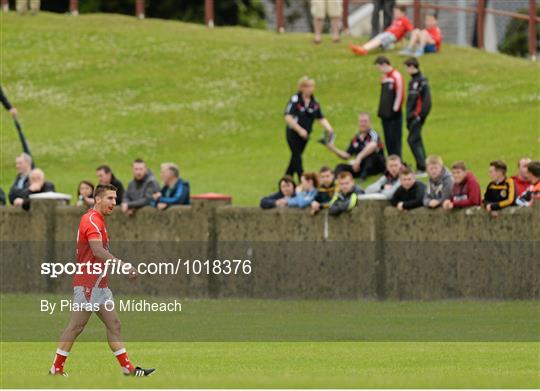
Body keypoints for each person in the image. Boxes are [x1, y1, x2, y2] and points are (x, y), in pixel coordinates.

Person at [49, 184, 155, 377]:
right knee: (76, 326)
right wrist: (122, 264)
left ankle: (127, 368)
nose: (114, 203)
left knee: (114, 324)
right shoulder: (92, 221)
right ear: (98, 199)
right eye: (110, 198)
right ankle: (56, 368)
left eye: (115, 199)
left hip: (99, 284)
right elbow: (97, 251)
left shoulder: (96, 219)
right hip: (89, 284)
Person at [284, 76, 335, 181]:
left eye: (312, 86)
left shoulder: (314, 102)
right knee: (296, 154)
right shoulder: (296, 100)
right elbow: (288, 117)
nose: (310, 89)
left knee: (296, 156)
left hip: (306, 134)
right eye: (307, 86)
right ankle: (302, 178)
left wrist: (329, 128)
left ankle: (287, 176)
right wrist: (299, 130)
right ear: (301, 87)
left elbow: (320, 117)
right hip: (293, 132)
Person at [327, 112, 386, 181]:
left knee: (371, 155)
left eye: (365, 121)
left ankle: (363, 177)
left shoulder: (373, 134)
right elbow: (346, 155)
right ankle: (338, 180)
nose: (363, 124)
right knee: (340, 166)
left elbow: (373, 145)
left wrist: (358, 158)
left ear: (370, 123)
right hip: (361, 166)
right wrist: (334, 148)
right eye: (361, 121)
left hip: (376, 165)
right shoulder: (355, 139)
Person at [403, 57, 431, 175]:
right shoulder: (413, 81)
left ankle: (422, 167)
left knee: (412, 140)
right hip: (412, 117)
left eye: (407, 67)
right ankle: (424, 165)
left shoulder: (421, 81)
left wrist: (420, 116)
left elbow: (426, 101)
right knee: (417, 140)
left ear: (412, 67)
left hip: (417, 117)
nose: (406, 70)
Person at [372, 56, 404, 158]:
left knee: (395, 139)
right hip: (385, 114)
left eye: (379, 68)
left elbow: (400, 94)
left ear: (384, 65)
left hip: (394, 115)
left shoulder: (396, 76)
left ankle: (397, 159)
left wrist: (395, 110)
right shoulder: (385, 78)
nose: (379, 71)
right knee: (388, 139)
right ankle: (390, 159)